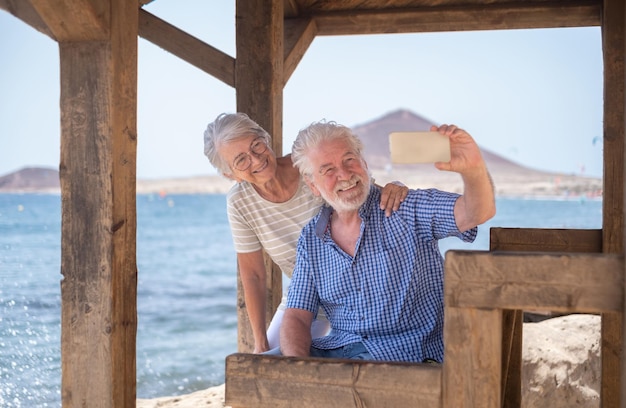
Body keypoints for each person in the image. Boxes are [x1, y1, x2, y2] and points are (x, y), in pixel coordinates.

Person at [278, 120, 496, 363]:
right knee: (266, 367)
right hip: (340, 354)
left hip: (405, 359)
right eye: (327, 170)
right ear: (312, 185)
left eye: (349, 159)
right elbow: (297, 316)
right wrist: (297, 371)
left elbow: (475, 213)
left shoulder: (403, 207)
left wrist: (473, 169)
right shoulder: (311, 238)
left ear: (364, 162)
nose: (344, 174)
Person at [203, 112, 408, 353]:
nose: (256, 160)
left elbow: (361, 190)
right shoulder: (240, 203)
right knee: (267, 366)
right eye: (241, 160)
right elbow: (253, 276)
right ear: (231, 175)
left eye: (256, 146)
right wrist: (260, 342)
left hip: (357, 292)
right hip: (304, 300)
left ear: (265, 138)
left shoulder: (307, 165)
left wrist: (398, 187)